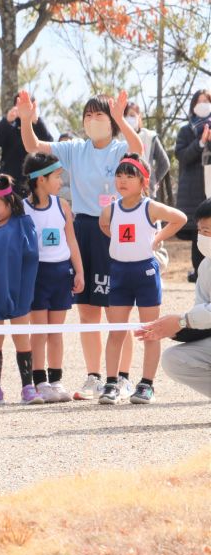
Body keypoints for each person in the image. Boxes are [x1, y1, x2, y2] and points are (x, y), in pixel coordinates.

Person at [16, 89, 143, 402]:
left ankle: (122, 377)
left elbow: (137, 149)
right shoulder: (75, 149)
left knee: (118, 311)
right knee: (88, 313)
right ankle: (94, 377)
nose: (92, 120)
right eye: (88, 115)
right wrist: (26, 120)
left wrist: (120, 120)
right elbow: (34, 147)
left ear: (111, 120)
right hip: (84, 227)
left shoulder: (118, 148)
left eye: (99, 115)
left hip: (113, 228)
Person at [98, 154, 186, 404]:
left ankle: (146, 384)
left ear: (143, 181)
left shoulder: (150, 207)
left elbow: (180, 218)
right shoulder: (110, 209)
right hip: (119, 273)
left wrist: (157, 238)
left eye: (129, 175)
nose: (122, 180)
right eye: (119, 175)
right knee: (116, 331)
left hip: (145, 273)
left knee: (150, 331)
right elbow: (104, 225)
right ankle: (112, 384)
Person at [22, 153, 84, 403]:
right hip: (37, 274)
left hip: (61, 273)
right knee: (39, 330)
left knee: (56, 330)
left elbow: (71, 239)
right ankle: (40, 382)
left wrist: (79, 270)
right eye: (57, 177)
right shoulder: (22, 208)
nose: (61, 181)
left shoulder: (63, 206)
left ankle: (56, 380)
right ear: (40, 179)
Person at [137, 197, 211, 398]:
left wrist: (181, 321)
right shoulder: (206, 267)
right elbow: (203, 321)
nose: (202, 237)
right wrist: (170, 329)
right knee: (175, 359)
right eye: (200, 231)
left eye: (208, 231)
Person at [0, 174, 40, 406]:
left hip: (19, 286)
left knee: (21, 337)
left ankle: (27, 386)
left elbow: (32, 256)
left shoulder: (23, 223)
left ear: (9, 201)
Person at [174, 89, 211, 282]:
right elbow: (182, 156)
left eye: (207, 100)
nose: (204, 104)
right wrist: (200, 143)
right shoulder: (186, 130)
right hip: (194, 189)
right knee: (200, 232)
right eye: (200, 101)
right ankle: (199, 274)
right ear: (193, 105)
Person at [0, 93, 53, 195]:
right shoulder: (11, 123)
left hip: (33, 177)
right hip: (10, 177)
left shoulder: (37, 123)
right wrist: (7, 121)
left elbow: (49, 142)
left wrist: (36, 121)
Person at [123, 102, 170, 196]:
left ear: (139, 117)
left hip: (146, 192)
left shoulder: (150, 137)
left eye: (132, 115)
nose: (129, 118)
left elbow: (164, 163)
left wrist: (153, 180)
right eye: (125, 116)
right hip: (122, 191)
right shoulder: (117, 138)